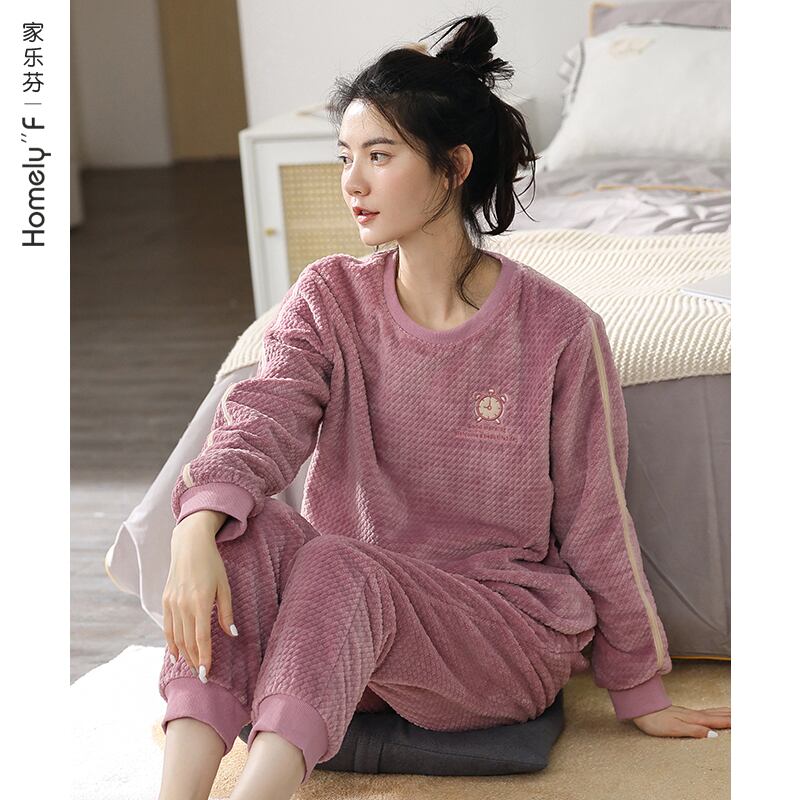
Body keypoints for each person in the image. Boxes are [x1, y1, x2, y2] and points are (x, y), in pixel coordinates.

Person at [156, 14, 731, 800]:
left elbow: (596, 521)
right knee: (234, 525)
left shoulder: (559, 330)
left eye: (380, 156)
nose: (352, 183)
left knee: (336, 563)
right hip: (348, 626)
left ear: (453, 166)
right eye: (346, 157)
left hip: (500, 638)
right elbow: (260, 419)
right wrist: (195, 529)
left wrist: (639, 689)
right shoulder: (327, 297)